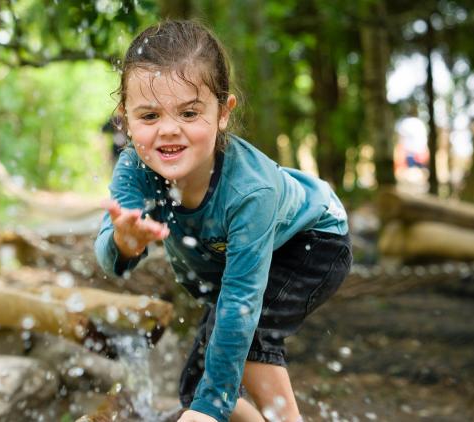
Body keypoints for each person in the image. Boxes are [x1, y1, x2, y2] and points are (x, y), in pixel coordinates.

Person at [94, 20, 351, 422]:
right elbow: (108, 255)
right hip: (243, 262)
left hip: (312, 240)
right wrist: (124, 243)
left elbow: (240, 305)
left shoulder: (250, 193)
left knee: (243, 348)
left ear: (223, 113)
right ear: (125, 118)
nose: (168, 130)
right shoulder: (134, 169)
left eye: (190, 112)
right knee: (197, 388)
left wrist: (209, 412)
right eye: (149, 116)